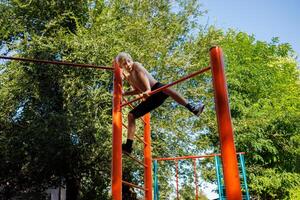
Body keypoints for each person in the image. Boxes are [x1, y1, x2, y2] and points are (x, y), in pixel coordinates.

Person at [116, 52, 204, 154]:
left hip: (155, 88)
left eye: (128, 61)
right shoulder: (129, 78)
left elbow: (142, 74)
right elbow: (137, 90)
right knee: (131, 115)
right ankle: (128, 146)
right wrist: (124, 93)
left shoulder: (136, 65)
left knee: (167, 89)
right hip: (151, 97)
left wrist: (148, 89)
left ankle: (193, 108)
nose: (128, 64)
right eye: (124, 64)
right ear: (121, 66)